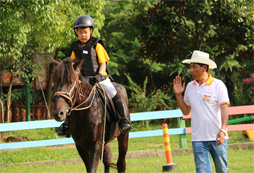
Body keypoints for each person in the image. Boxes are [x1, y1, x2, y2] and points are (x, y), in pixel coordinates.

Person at [58, 15, 132, 137]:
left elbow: (103, 63)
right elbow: (72, 64)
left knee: (113, 93)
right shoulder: (75, 47)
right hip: (82, 80)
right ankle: (67, 124)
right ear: (76, 32)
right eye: (80, 32)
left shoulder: (97, 45)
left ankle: (122, 120)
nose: (83, 35)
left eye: (85, 32)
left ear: (91, 31)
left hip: (99, 78)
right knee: (71, 97)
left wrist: (98, 75)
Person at [173, 50, 230, 173]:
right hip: (198, 139)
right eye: (190, 67)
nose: (191, 70)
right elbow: (186, 111)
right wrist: (178, 95)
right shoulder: (189, 86)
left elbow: (224, 109)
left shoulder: (218, 85)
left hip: (217, 137)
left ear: (204, 68)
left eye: (194, 67)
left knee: (222, 170)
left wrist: (223, 130)